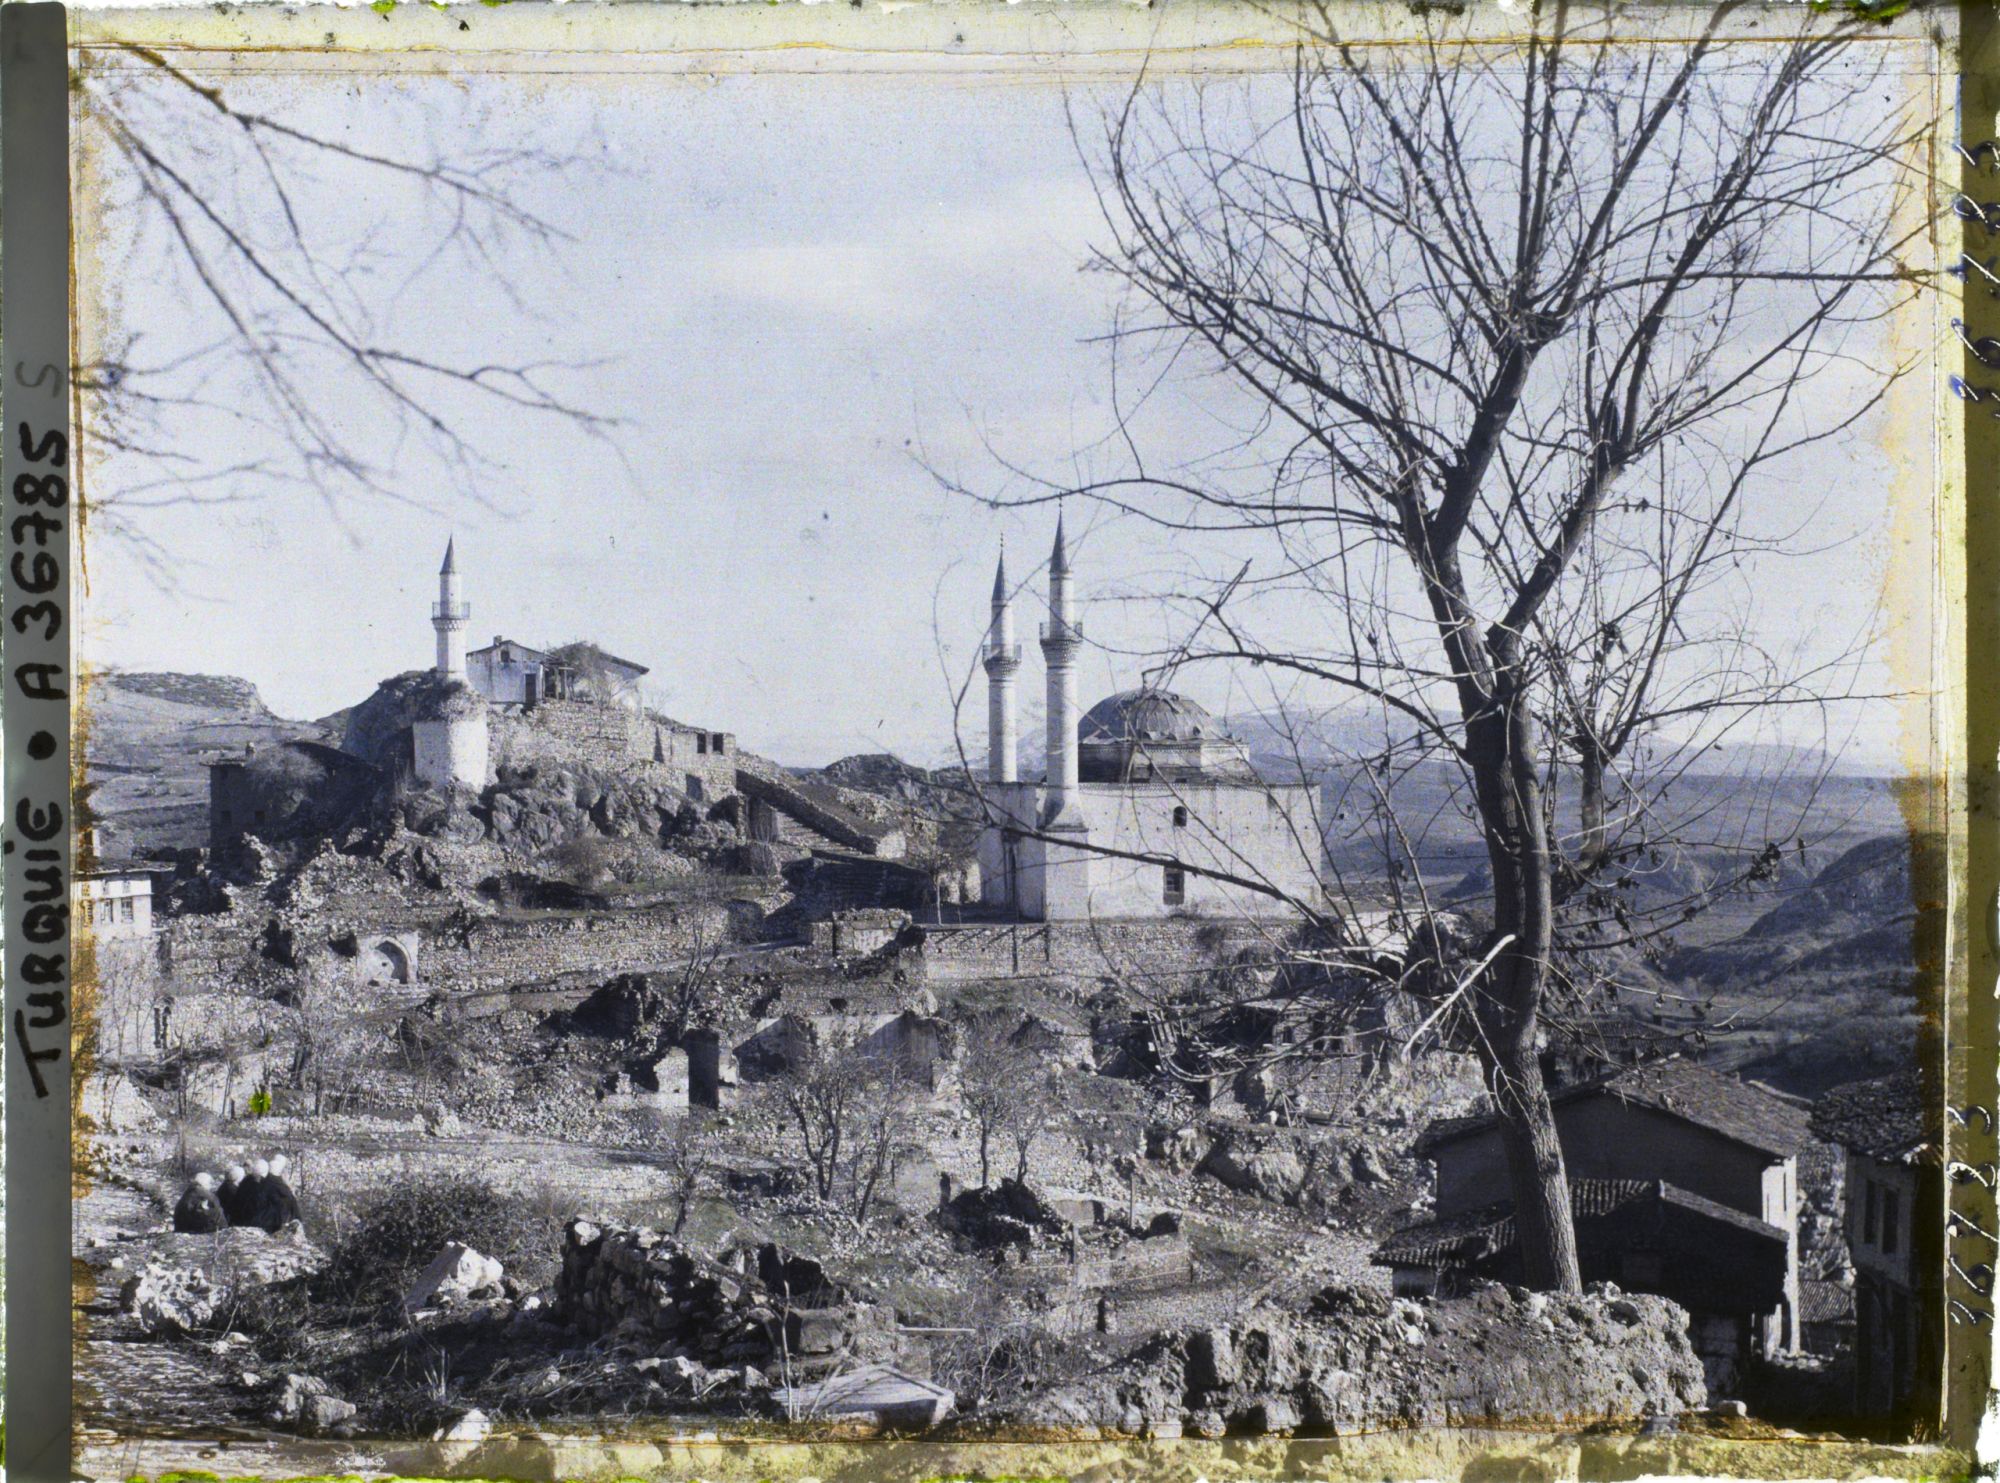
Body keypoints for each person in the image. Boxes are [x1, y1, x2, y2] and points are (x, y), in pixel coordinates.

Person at [253, 1152, 301, 1232]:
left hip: (267, 1224)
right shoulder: (284, 1187)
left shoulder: (264, 1184)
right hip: (281, 1223)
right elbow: (295, 1210)